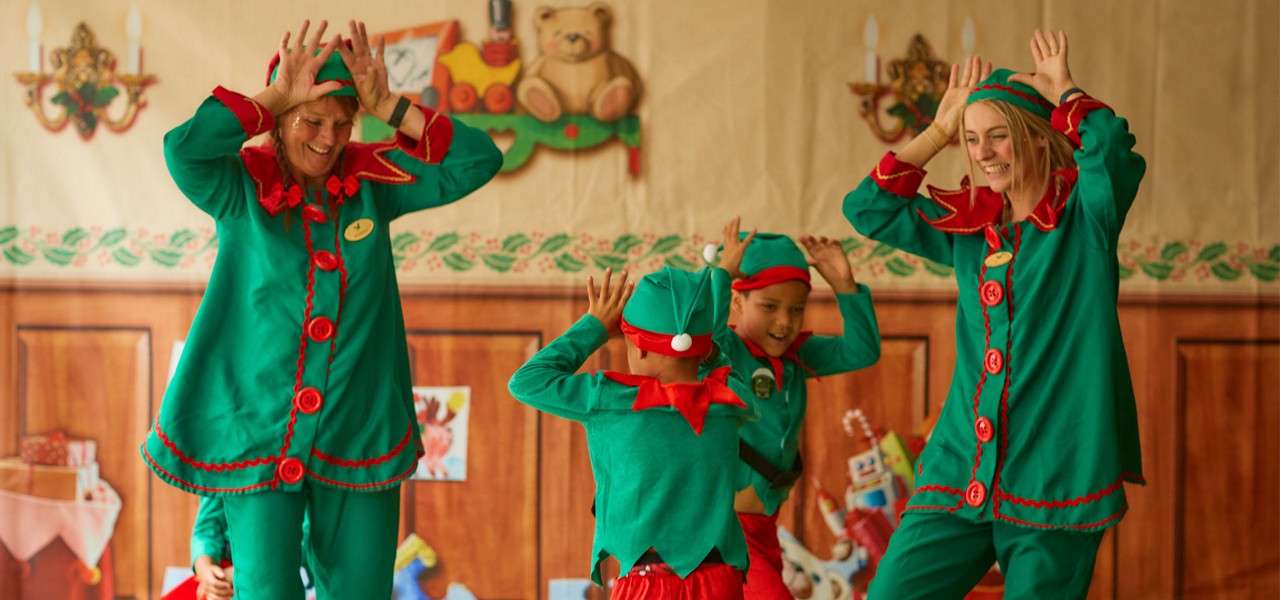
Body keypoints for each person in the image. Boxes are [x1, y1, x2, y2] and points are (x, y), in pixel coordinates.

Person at [140, 19, 502, 599]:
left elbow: (477, 161)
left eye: (342, 123)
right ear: (281, 125)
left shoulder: (374, 182)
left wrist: (390, 104)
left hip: (357, 429)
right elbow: (181, 150)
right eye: (311, 120)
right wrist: (273, 97)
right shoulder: (240, 188)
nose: (329, 138)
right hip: (256, 428)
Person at [843, 31, 1146, 598]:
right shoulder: (970, 231)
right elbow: (868, 208)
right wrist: (937, 131)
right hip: (960, 469)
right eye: (973, 139)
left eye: (999, 136)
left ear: (1035, 137)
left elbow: (1109, 149)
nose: (982, 153)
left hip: (1057, 473)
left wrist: (1066, 93)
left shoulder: (1085, 221)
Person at [508, 268, 752, 599]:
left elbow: (526, 381)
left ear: (637, 348)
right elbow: (723, 368)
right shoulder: (730, 400)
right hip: (721, 581)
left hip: (647, 584)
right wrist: (703, 350)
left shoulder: (608, 398)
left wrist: (593, 326)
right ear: (702, 349)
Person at [708, 218, 881, 598]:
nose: (784, 322)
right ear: (737, 301)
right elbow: (703, 324)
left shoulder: (798, 355)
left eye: (796, 309)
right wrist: (721, 274)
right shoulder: (723, 353)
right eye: (769, 306)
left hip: (765, 524)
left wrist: (845, 288)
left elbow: (862, 350)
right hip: (723, 528)